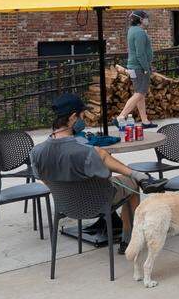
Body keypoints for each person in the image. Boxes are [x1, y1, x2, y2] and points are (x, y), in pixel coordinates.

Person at [31, 93, 151, 253]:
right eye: (82, 115)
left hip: (66, 205)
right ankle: (128, 241)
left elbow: (45, 180)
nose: (84, 119)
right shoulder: (87, 151)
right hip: (98, 203)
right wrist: (133, 174)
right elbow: (105, 176)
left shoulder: (36, 152)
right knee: (132, 184)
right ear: (73, 117)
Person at [116, 10, 156, 128]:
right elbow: (140, 54)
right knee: (140, 93)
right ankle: (121, 117)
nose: (147, 20)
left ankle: (145, 121)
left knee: (140, 94)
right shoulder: (139, 32)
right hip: (139, 68)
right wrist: (146, 68)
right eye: (146, 18)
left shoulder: (132, 30)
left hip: (134, 67)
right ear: (141, 20)